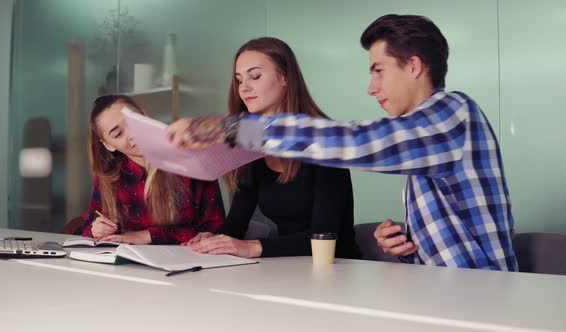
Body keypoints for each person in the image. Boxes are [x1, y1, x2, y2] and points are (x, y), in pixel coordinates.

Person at [166, 15, 517, 271]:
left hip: (480, 298)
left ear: (413, 66)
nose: (372, 86)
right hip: (446, 293)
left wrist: (227, 128)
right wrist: (405, 244)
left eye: (378, 70)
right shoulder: (429, 132)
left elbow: (358, 141)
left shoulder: (452, 113)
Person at [183, 37, 360, 259]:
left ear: (285, 77)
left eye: (255, 76)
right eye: (239, 80)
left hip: (338, 269)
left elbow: (324, 237)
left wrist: (252, 247)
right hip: (285, 268)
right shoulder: (252, 142)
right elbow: (236, 224)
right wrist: (213, 240)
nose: (244, 88)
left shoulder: (321, 139)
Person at [81, 94, 225, 244]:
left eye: (132, 122)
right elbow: (88, 222)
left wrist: (147, 236)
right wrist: (95, 228)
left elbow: (217, 228)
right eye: (118, 134)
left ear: (144, 115)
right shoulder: (109, 176)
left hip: (189, 262)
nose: (132, 135)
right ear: (108, 145)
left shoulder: (190, 162)